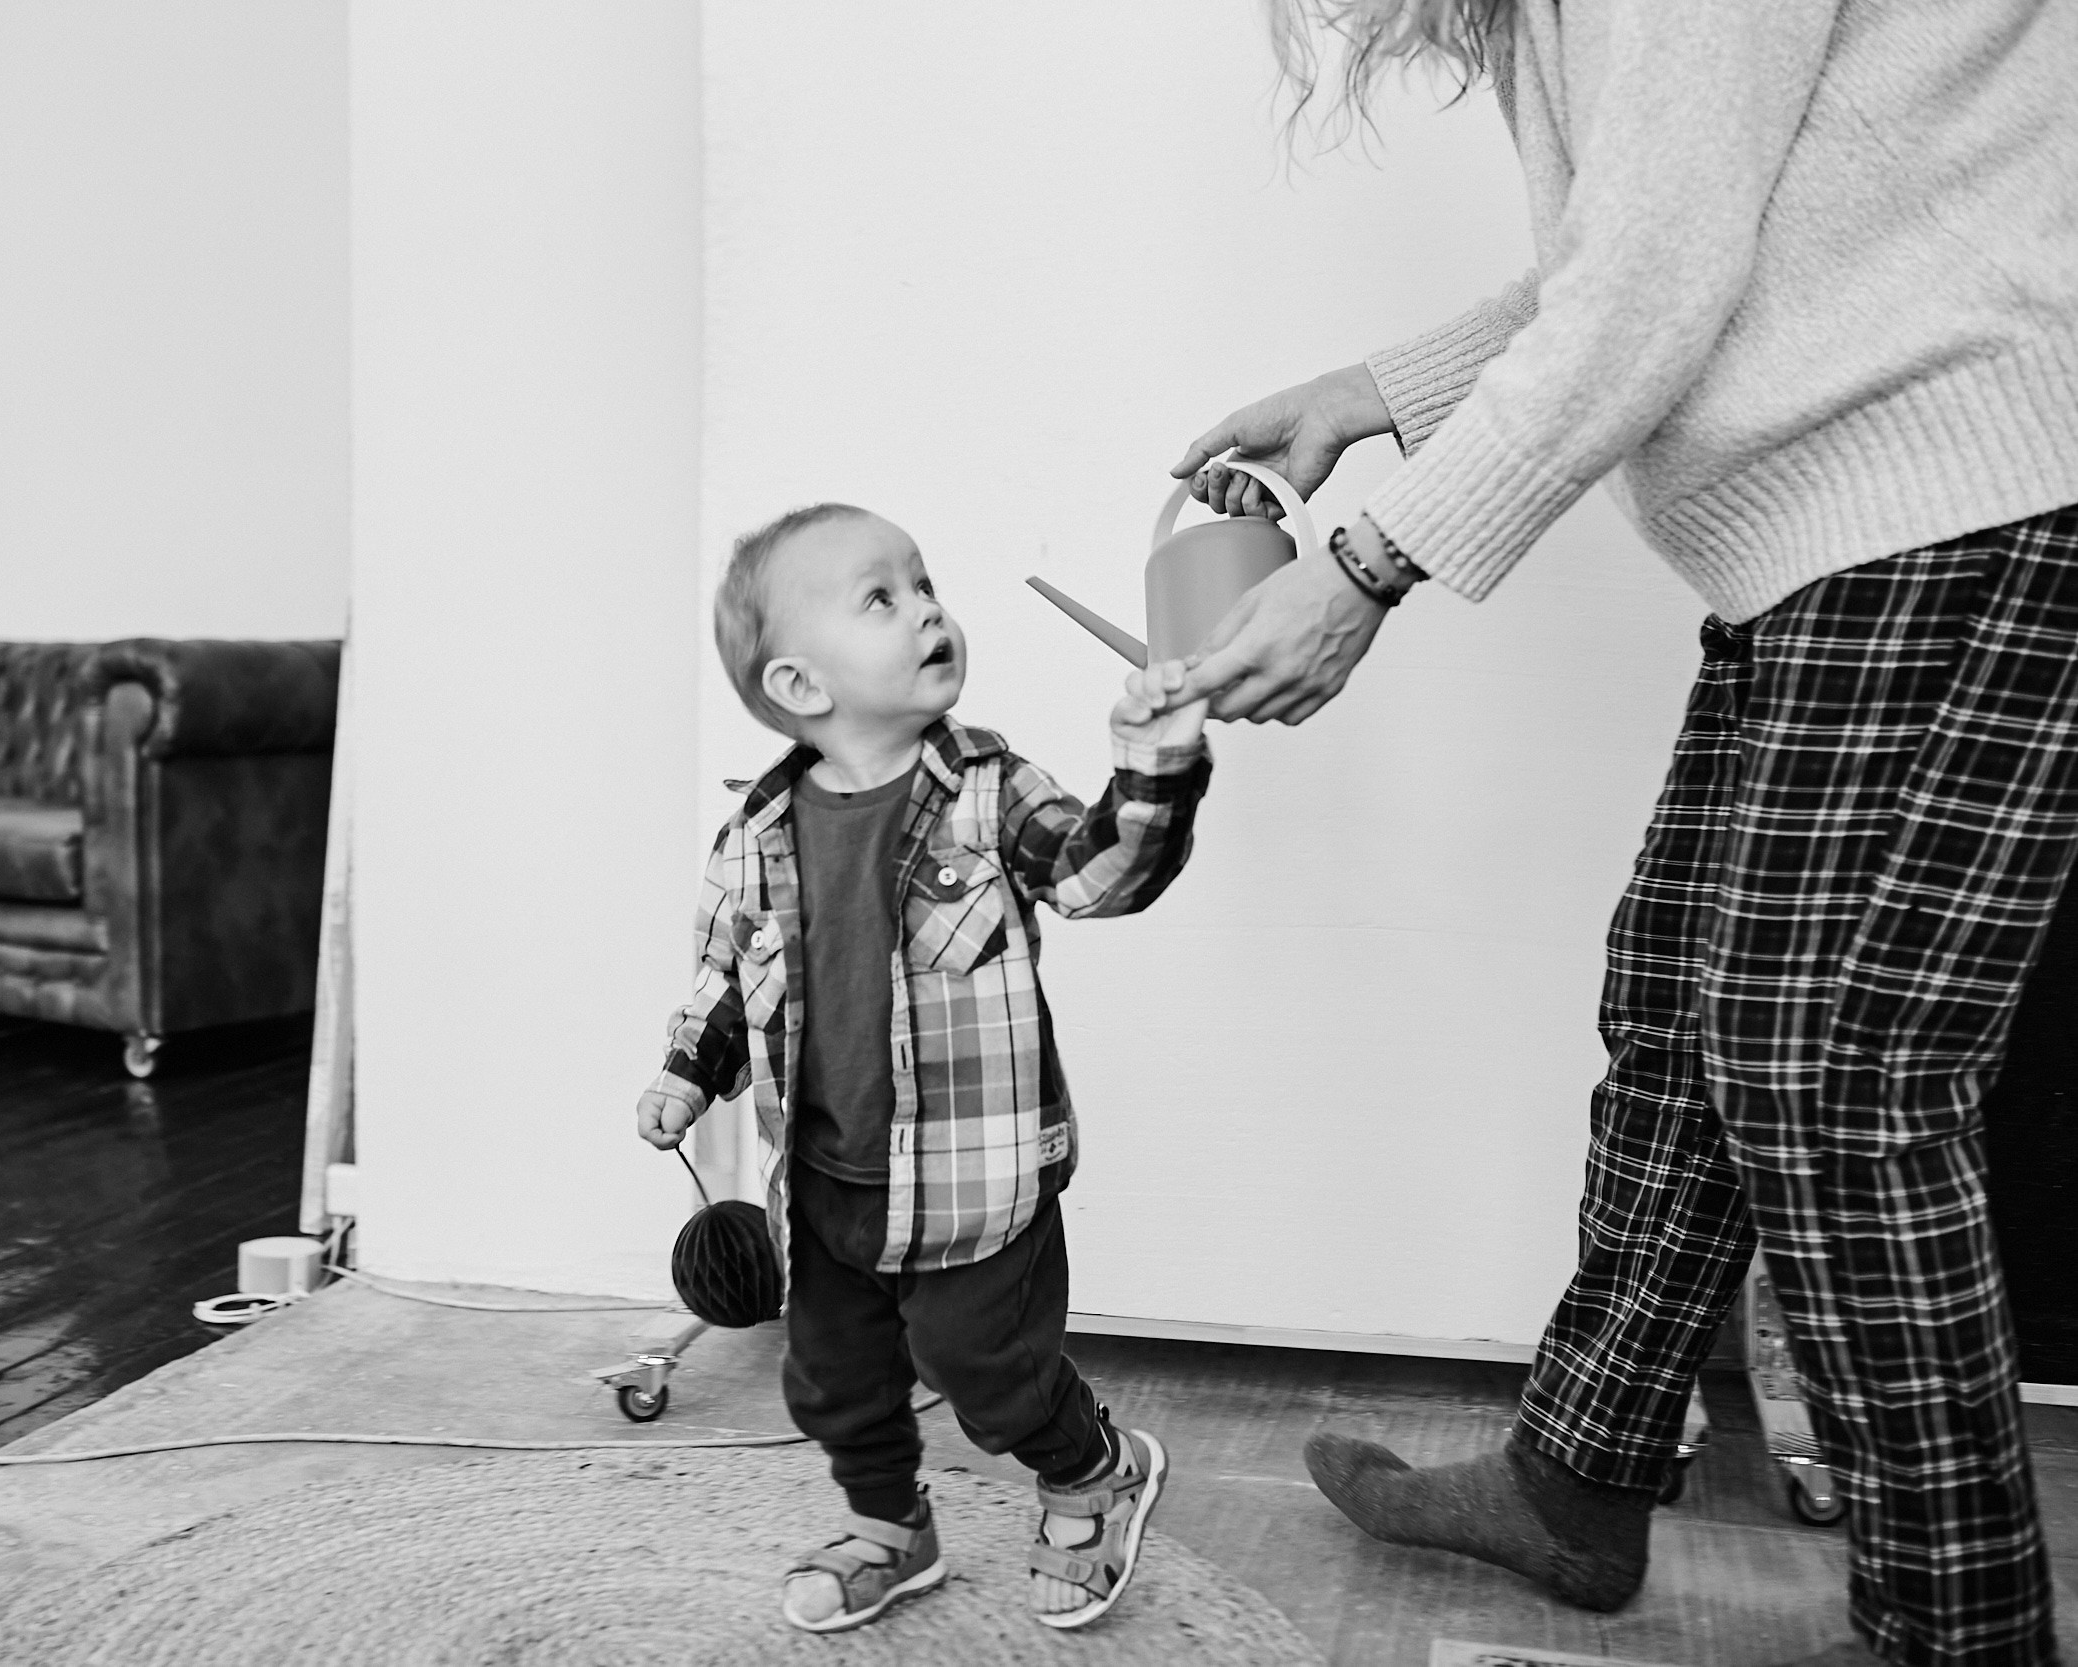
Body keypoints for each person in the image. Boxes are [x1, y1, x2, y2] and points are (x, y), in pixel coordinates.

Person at [1121, 2, 2078, 1663]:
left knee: (1834, 1075)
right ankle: (1579, 1472)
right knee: (1679, 1011)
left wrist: (1366, 570)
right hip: (1858, 529)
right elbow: (1691, 225)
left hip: (1961, 502)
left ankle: (1961, 1626)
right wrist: (1370, 393)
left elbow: (1650, 285)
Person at [636, 503, 1210, 1633]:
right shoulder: (752, 837)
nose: (928, 606)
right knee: (832, 1378)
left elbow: (1103, 873)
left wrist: (1155, 756)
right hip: (825, 1179)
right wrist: (683, 1075)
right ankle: (890, 1528)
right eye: (882, 597)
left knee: (983, 1364)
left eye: (924, 581)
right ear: (803, 688)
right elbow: (719, 979)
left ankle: (1094, 1470)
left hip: (971, 1175)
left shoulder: (989, 792)